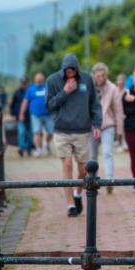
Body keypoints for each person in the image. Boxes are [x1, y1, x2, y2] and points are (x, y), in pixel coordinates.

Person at [46, 54, 102, 217]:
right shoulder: (52, 80)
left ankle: (78, 193)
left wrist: (97, 124)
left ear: (77, 70)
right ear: (63, 70)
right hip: (62, 129)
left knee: (83, 169)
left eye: (73, 71)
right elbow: (50, 105)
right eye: (67, 71)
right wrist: (65, 92)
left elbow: (95, 104)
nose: (70, 73)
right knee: (67, 164)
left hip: (82, 130)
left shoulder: (86, 79)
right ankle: (70, 204)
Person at [91, 62, 124, 194]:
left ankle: (109, 181)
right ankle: (93, 181)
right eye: (97, 75)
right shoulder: (88, 87)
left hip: (107, 125)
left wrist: (119, 131)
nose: (100, 78)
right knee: (92, 156)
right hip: (91, 126)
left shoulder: (112, 88)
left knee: (107, 153)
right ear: (94, 75)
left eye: (102, 75)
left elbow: (118, 110)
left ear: (106, 75)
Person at [20, 72, 55, 157]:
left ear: (43, 79)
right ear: (35, 79)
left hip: (48, 114)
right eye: (37, 79)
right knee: (36, 132)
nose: (39, 80)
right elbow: (25, 102)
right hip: (35, 115)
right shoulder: (31, 89)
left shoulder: (47, 87)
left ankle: (46, 143)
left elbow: (53, 98)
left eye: (40, 79)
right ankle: (38, 149)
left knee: (51, 132)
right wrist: (22, 113)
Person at [9, 77, 32, 157]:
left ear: (28, 83)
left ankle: (29, 149)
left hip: (30, 116)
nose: (24, 85)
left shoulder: (31, 91)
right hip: (20, 116)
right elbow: (12, 104)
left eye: (25, 83)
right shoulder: (16, 92)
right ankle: (21, 148)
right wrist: (12, 115)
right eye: (23, 83)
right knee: (21, 132)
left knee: (29, 134)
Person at [114, 73, 128, 151]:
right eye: (119, 80)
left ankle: (123, 143)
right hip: (115, 112)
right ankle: (118, 142)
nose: (120, 82)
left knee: (122, 128)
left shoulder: (126, 91)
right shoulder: (114, 90)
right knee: (116, 128)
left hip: (124, 112)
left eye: (122, 80)